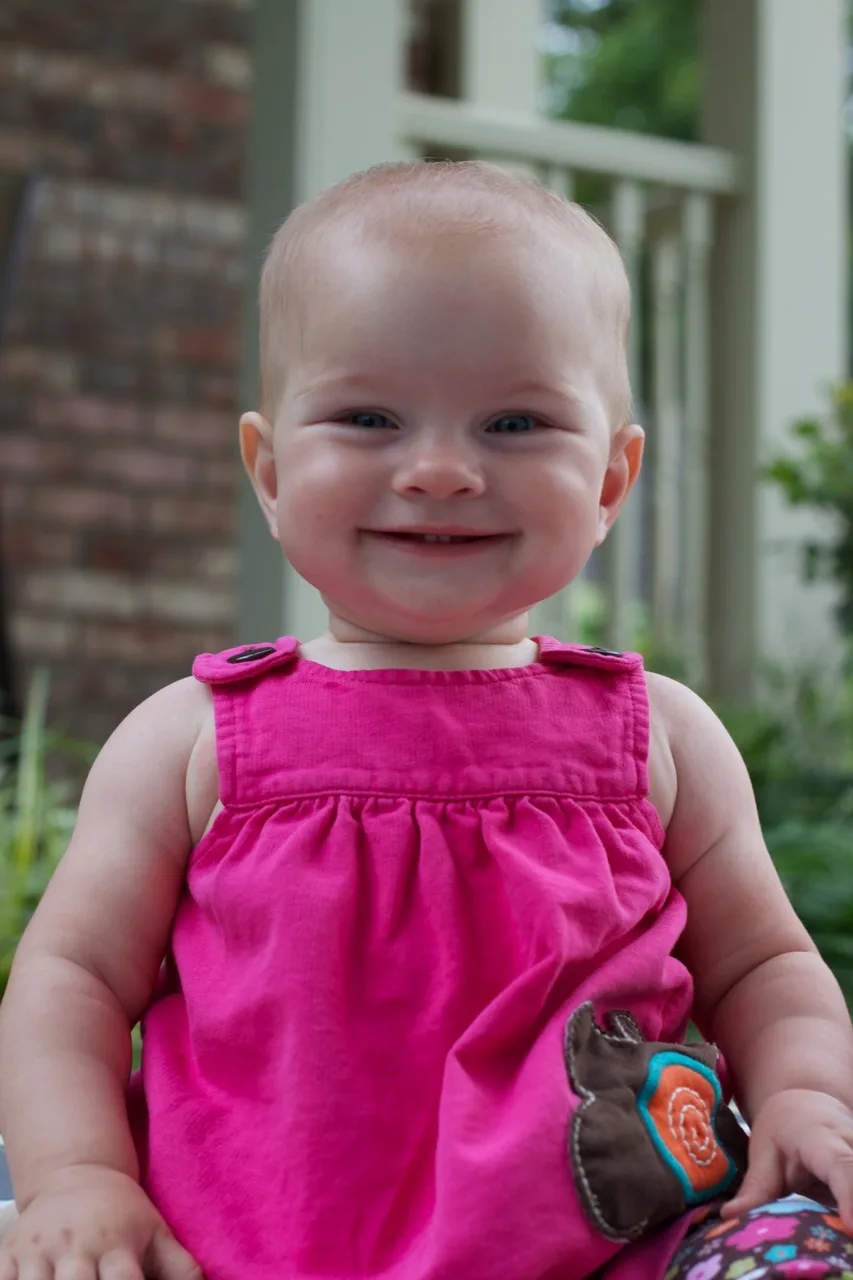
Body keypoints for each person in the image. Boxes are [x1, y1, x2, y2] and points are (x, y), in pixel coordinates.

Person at [1, 160, 852, 1280]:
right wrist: (79, 1179)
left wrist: (803, 1092)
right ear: (267, 468)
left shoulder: (659, 735)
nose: (440, 470)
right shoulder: (191, 740)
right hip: (246, 1248)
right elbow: (71, 978)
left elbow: (761, 967)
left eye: (513, 421)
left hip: (625, 1253)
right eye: (367, 417)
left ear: (608, 479)